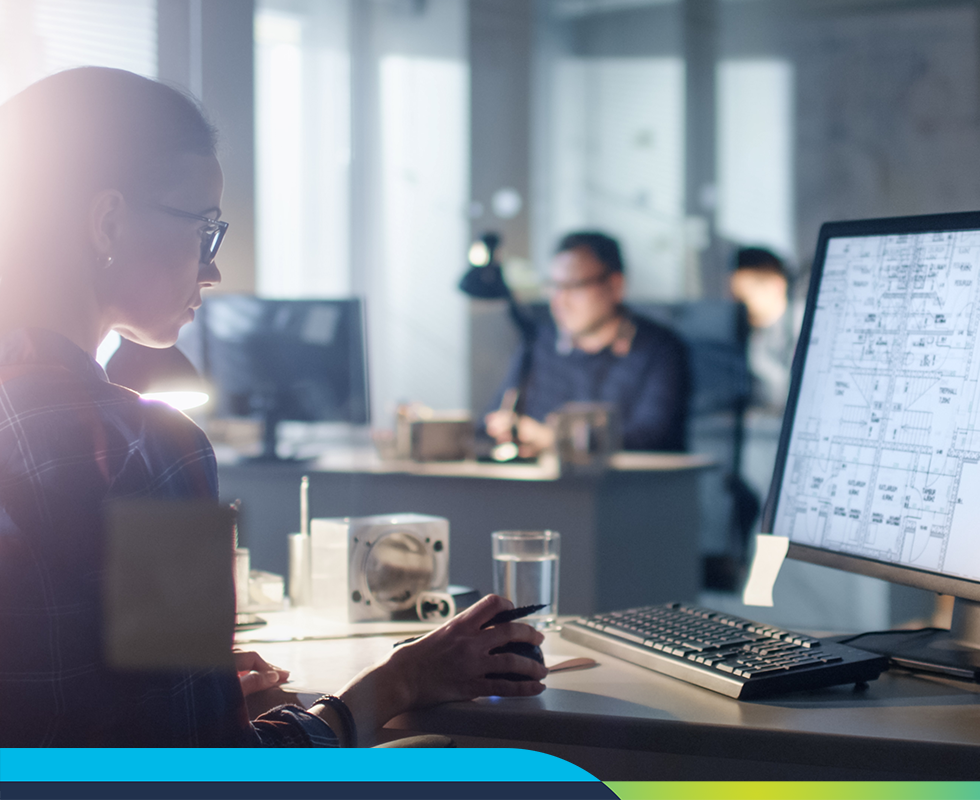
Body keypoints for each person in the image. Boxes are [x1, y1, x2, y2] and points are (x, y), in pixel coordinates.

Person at [0, 67, 546, 748]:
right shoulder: (147, 447)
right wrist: (395, 682)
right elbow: (210, 773)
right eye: (204, 229)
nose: (213, 268)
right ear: (107, 221)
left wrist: (185, 681)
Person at [484, 231, 690, 454]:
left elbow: (653, 437)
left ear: (615, 286)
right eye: (554, 286)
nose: (560, 300)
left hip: (626, 486)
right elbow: (492, 420)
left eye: (574, 286)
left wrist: (557, 439)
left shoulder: (660, 350)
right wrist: (506, 429)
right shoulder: (539, 344)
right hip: (543, 486)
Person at [728, 246, 801, 411]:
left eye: (744, 297)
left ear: (777, 285)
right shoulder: (750, 330)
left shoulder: (802, 327)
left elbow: (785, 396)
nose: (738, 306)